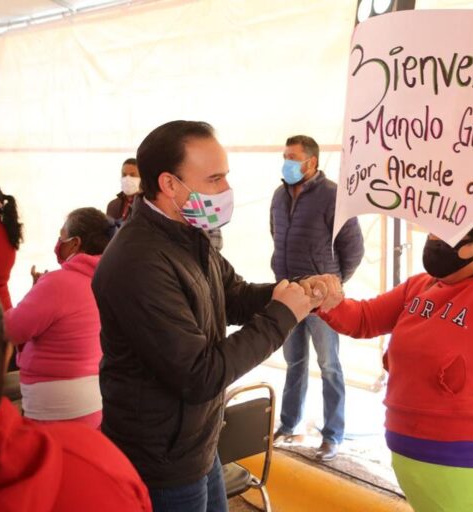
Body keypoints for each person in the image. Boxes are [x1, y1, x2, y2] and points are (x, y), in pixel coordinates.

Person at [312, 110, 473, 512]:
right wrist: (328, 302)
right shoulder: (421, 286)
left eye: (445, 233)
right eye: (433, 229)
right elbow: (363, 319)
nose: (433, 238)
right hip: (426, 479)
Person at [92, 120, 318, 512]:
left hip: (197, 442)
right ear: (169, 184)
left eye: (225, 176)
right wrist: (283, 316)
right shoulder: (138, 261)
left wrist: (298, 289)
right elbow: (200, 374)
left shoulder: (188, 234)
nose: (226, 190)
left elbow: (232, 296)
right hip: (160, 459)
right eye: (214, 179)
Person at [0, 256, 152, 512]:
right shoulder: (97, 465)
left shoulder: (59, 283)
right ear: (4, 352)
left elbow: (18, 325)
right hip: (92, 404)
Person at [270, 135, 364, 461]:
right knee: (294, 361)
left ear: (311, 162)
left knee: (329, 366)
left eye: (292, 157)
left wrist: (331, 286)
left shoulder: (333, 196)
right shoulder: (278, 197)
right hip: (287, 296)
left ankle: (332, 435)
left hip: (323, 303)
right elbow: (276, 237)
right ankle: (289, 424)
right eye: (285, 156)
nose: (287, 162)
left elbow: (353, 248)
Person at [4, 207, 115, 429]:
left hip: (54, 408)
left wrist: (32, 294)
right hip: (94, 400)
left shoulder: (58, 282)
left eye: (61, 236)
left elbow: (12, 329)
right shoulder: (110, 278)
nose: (58, 242)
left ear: (75, 243)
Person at [107, 158, 141, 223]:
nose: (127, 179)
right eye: (124, 175)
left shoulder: (147, 204)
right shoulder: (113, 205)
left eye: (132, 175)